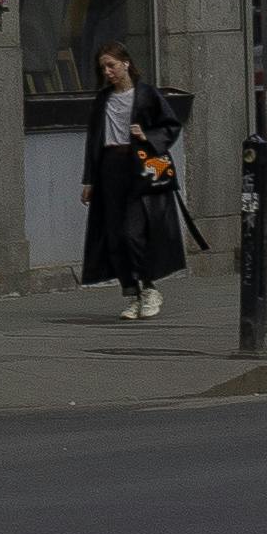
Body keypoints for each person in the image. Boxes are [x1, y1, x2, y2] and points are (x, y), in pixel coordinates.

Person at [78, 43, 188, 326]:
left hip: (139, 170)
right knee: (114, 236)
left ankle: (150, 288)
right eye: (103, 67)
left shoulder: (147, 94)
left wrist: (146, 134)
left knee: (133, 233)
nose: (108, 72)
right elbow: (93, 142)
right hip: (109, 169)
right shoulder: (103, 100)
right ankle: (133, 293)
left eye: (111, 65)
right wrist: (89, 180)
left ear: (126, 63)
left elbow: (171, 126)